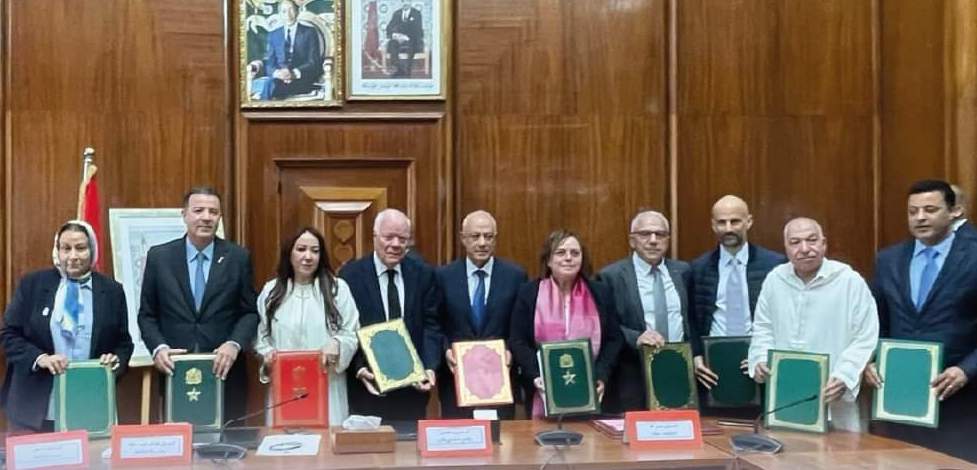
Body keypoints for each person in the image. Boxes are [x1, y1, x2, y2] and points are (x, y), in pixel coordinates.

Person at [869, 179, 977, 462]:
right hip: (900, 397)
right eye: (913, 211)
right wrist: (870, 359)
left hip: (959, 397)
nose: (920, 218)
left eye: (930, 210)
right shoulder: (888, 260)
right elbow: (875, 322)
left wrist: (966, 370)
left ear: (954, 212)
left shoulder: (973, 256)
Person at [138, 187, 259, 420]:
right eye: (198, 210)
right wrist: (158, 348)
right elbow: (147, 315)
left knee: (229, 439)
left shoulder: (237, 257)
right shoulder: (159, 257)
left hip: (225, 372)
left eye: (213, 212)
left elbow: (250, 312)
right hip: (176, 370)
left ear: (220, 217)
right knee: (180, 438)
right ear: (184, 214)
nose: (206, 217)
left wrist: (234, 344)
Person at [747, 217, 879, 432]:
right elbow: (763, 328)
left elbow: (865, 336)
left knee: (841, 451)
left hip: (834, 396)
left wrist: (845, 375)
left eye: (812, 240)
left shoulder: (849, 281)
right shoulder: (775, 280)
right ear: (786, 248)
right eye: (795, 242)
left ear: (824, 243)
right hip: (786, 396)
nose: (805, 249)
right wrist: (761, 358)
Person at [1, 221, 133, 432]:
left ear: (92, 250)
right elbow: (8, 334)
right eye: (66, 248)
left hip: (88, 404)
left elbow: (124, 343)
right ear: (57, 251)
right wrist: (40, 358)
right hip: (34, 406)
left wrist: (115, 360)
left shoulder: (112, 291)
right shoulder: (33, 285)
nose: (73, 256)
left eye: (80, 248)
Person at [338, 208, 441, 421]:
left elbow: (432, 325)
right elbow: (344, 329)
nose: (396, 244)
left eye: (403, 239)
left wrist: (430, 366)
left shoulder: (423, 274)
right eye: (389, 237)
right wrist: (359, 368)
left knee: (409, 443)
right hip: (367, 389)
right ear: (375, 236)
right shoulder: (350, 276)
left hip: (412, 393)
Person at [509, 229, 623, 418]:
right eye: (561, 253)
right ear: (548, 260)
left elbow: (614, 339)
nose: (568, 258)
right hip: (542, 390)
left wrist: (601, 375)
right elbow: (518, 340)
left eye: (575, 253)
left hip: (591, 389)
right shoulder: (529, 293)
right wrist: (536, 375)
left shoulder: (600, 293)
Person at [689, 196, 785, 415]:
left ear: (748, 221)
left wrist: (766, 354)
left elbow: (782, 318)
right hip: (714, 369)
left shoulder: (775, 266)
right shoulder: (698, 268)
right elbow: (692, 318)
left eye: (735, 221)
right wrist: (696, 356)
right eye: (721, 222)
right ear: (713, 225)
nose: (728, 228)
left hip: (761, 366)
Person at [254, 227, 360, 426]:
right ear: (289, 253)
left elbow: (351, 333)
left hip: (327, 385)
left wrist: (337, 344)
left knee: (326, 440)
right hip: (285, 387)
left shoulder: (338, 289)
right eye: (301, 249)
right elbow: (263, 338)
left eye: (315, 251)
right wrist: (267, 356)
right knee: (286, 442)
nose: (308, 257)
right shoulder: (271, 292)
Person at [436, 210, 528, 418]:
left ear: (495, 239)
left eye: (488, 236)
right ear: (463, 238)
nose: (482, 243)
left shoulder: (515, 276)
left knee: (499, 436)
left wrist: (511, 351)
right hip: (456, 381)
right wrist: (445, 350)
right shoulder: (444, 277)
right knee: (460, 436)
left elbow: (521, 326)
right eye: (475, 236)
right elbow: (435, 324)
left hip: (499, 380)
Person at [597, 210, 691, 412]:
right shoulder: (611, 276)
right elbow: (604, 326)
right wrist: (636, 337)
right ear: (632, 240)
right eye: (645, 234)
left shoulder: (683, 272)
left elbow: (691, 319)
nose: (653, 240)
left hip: (678, 369)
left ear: (668, 239)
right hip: (633, 373)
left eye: (660, 234)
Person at [258, 0, 323, 100]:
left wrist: (293, 73)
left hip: (301, 78)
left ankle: (264, 107)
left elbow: (313, 61)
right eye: (284, 11)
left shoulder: (309, 32)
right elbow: (270, 62)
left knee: (270, 86)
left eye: (291, 10)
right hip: (279, 78)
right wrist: (279, 74)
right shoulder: (274, 34)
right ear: (280, 14)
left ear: (297, 11)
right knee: (271, 84)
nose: (288, 14)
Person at [385, 0, 424, 78]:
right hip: (399, 39)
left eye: (407, 1)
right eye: (403, 1)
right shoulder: (397, 13)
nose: (405, 3)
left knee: (411, 45)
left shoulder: (416, 13)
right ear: (401, 3)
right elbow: (389, 27)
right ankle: (398, 69)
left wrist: (406, 37)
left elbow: (418, 30)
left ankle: (407, 71)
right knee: (392, 43)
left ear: (410, 2)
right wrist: (395, 35)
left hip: (412, 39)